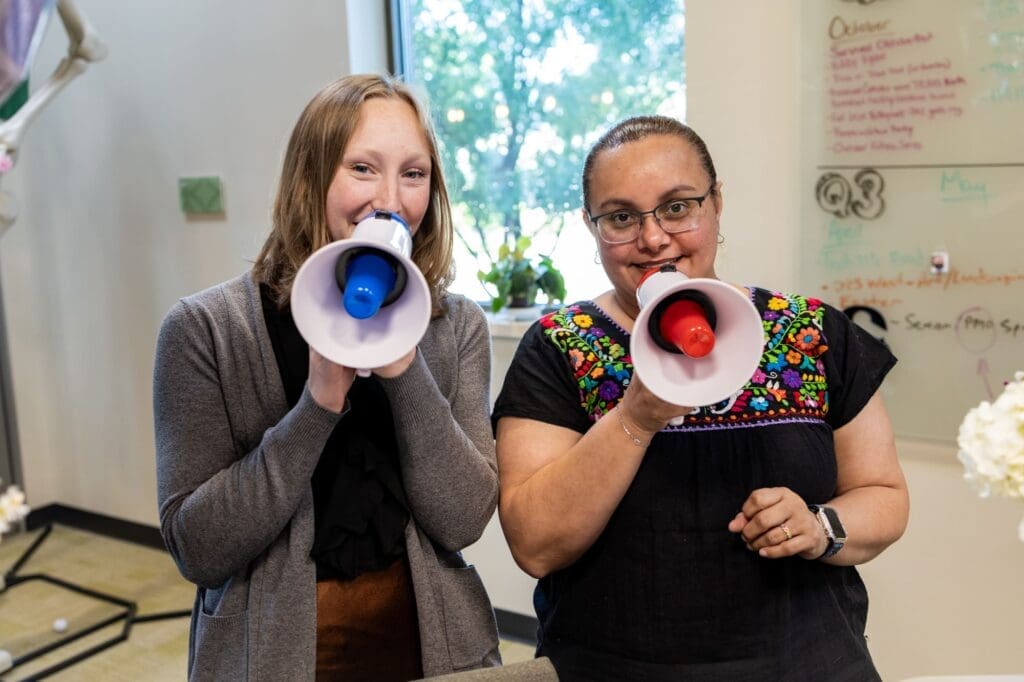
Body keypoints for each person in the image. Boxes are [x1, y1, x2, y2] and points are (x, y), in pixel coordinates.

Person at [492, 115, 909, 681]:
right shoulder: (559, 348)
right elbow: (536, 545)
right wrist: (637, 417)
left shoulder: (814, 333)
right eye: (620, 217)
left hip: (813, 666)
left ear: (716, 203)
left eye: (677, 206)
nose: (654, 238)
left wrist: (819, 525)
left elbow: (883, 496)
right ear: (592, 230)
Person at [154, 74, 501, 681]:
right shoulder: (206, 330)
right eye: (362, 168)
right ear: (309, 178)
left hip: (428, 645)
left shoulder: (457, 326)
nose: (391, 200)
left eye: (414, 174)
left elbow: (464, 518)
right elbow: (199, 547)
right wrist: (315, 406)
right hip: (268, 651)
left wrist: (403, 366)